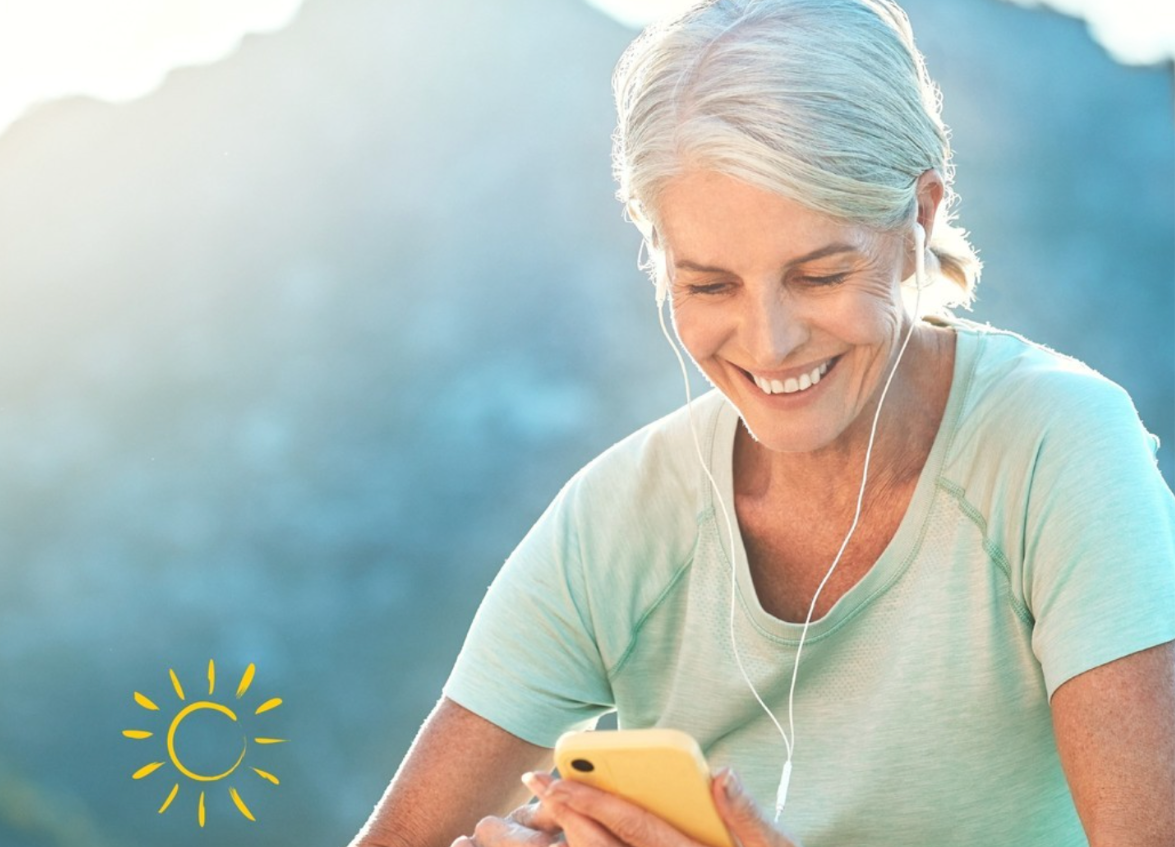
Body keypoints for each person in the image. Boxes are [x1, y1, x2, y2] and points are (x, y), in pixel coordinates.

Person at [346, 1, 1175, 845]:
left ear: (920, 217)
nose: (770, 343)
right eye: (710, 286)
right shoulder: (621, 520)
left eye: (820, 276)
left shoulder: (1058, 450)